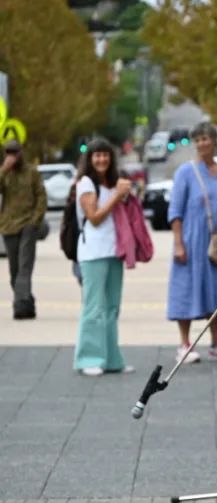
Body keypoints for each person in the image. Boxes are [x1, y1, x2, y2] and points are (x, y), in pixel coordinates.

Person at [166, 121, 217, 364]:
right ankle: (184, 343)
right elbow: (175, 211)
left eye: (206, 138)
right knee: (187, 288)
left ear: (215, 142)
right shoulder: (185, 172)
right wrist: (178, 243)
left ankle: (216, 343)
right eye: (198, 139)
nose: (202, 143)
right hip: (192, 240)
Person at [73, 139, 133, 376]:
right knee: (94, 307)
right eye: (96, 155)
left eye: (105, 155)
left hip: (114, 251)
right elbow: (95, 217)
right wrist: (117, 195)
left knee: (111, 307)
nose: (101, 160)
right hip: (93, 253)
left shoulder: (112, 181)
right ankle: (88, 359)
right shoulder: (86, 183)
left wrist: (124, 193)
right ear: (89, 159)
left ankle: (111, 359)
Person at [0, 139, 46, 320]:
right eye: (8, 152)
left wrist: (35, 220)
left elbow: (41, 196)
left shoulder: (32, 173)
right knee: (14, 270)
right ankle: (27, 302)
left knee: (24, 267)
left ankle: (20, 307)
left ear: (21, 153)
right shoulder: (5, 173)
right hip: (9, 226)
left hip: (28, 224)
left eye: (15, 152)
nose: (12, 156)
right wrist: (4, 169)